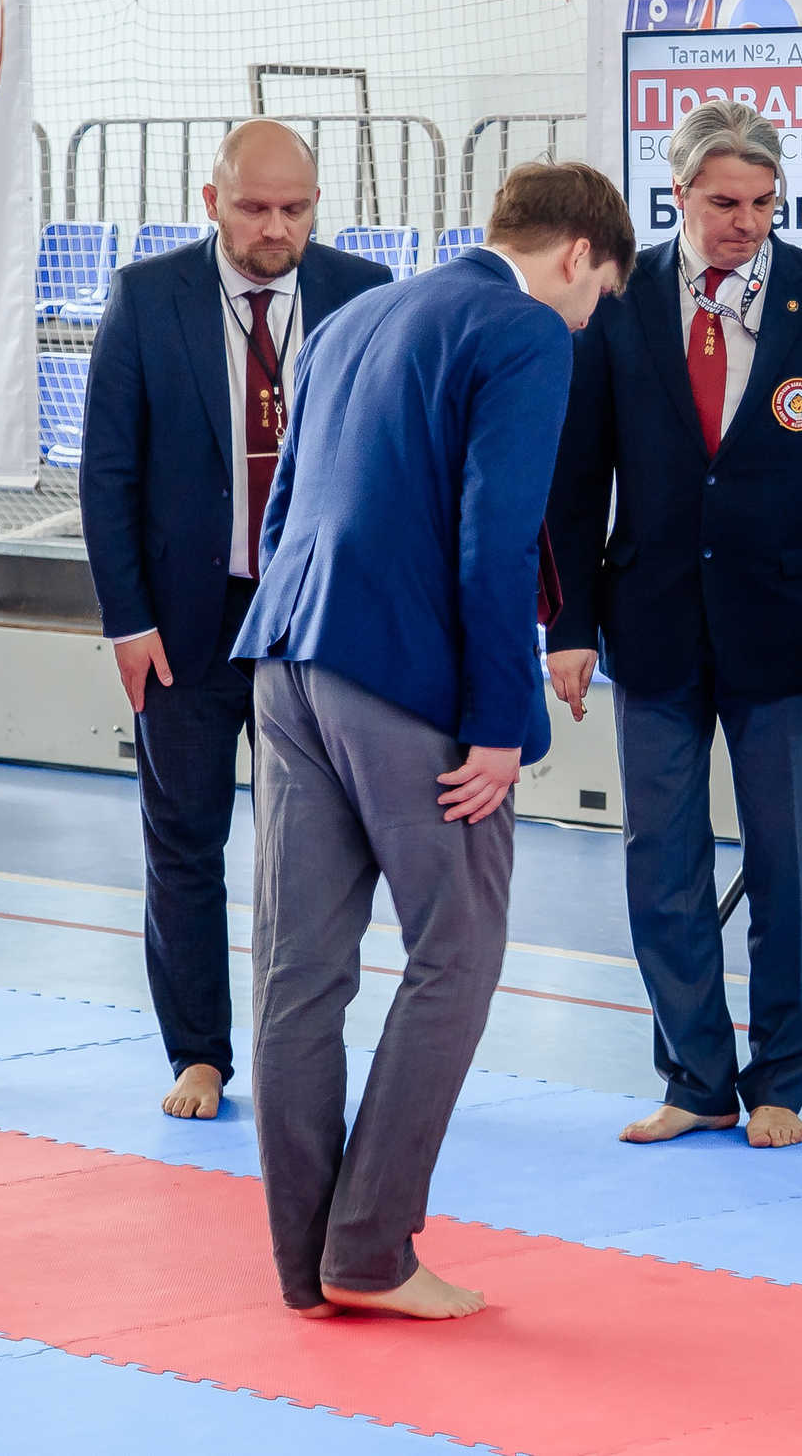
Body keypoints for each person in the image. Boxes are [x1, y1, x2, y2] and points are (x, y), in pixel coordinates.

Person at [234, 160, 633, 1320]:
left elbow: (282, 510)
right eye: (599, 295)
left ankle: (308, 1262)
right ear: (576, 256)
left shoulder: (352, 317)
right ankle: (368, 1250)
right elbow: (494, 536)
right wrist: (499, 723)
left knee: (298, 974)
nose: (589, 319)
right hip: (404, 680)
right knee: (455, 955)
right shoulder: (525, 330)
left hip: (290, 657)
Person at [545, 99, 802, 1151]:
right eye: (723, 203)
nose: (745, 222)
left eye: (761, 203)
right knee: (662, 864)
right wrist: (566, 624)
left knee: (789, 869)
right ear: (678, 195)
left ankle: (782, 1078)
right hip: (649, 618)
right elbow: (577, 479)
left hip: (785, 626)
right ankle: (695, 1077)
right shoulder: (620, 300)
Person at [80, 121, 391, 1120]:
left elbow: (391, 463)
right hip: (189, 615)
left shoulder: (364, 293)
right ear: (211, 201)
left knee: (316, 853)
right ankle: (199, 1054)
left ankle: (300, 1051)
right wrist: (127, 620)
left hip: (317, 614)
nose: (275, 229)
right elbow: (107, 472)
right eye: (255, 208)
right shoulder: (146, 296)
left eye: (295, 209)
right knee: (184, 838)